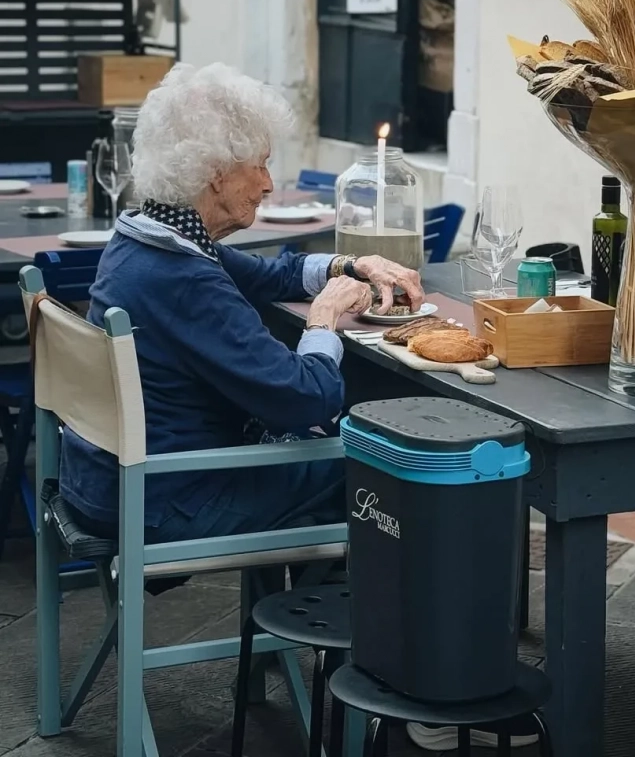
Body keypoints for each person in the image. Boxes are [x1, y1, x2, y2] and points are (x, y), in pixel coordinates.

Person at [60, 63, 424, 545]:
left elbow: (272, 274)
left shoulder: (144, 238)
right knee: (383, 460)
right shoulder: (185, 278)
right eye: (260, 165)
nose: (268, 184)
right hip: (165, 499)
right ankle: (361, 594)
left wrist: (351, 265)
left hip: (101, 481)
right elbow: (306, 398)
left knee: (317, 459)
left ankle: (303, 585)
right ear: (216, 174)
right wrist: (324, 318)